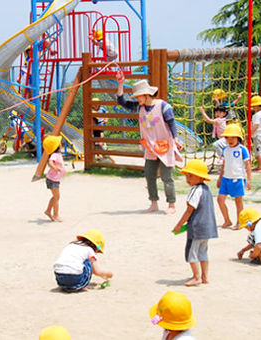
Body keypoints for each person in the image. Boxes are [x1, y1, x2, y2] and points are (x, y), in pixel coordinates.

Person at [116, 72, 183, 214]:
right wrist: (121, 83)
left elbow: (171, 123)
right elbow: (122, 101)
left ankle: (171, 205)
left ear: (146, 94)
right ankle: (154, 203)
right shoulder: (140, 107)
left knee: (167, 177)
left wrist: (176, 139)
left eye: (138, 96)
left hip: (165, 145)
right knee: (149, 175)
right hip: (150, 147)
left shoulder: (164, 106)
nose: (137, 98)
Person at [172, 159, 218, 286]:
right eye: (187, 175)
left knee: (192, 252)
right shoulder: (207, 190)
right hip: (208, 227)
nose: (187, 178)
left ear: (200, 177)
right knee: (203, 252)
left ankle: (196, 277)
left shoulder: (195, 190)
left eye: (190, 176)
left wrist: (179, 224)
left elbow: (189, 210)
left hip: (197, 228)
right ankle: (204, 277)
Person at [217, 124, 252, 229]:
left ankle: (239, 222)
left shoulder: (242, 149)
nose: (230, 140)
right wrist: (220, 178)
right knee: (220, 199)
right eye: (227, 137)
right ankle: (227, 220)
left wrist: (249, 180)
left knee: (238, 201)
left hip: (237, 178)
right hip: (225, 179)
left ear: (238, 138)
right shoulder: (225, 150)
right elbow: (224, 165)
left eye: (233, 137)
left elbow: (247, 165)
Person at [43, 136, 65, 222]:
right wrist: (55, 168)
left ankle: (48, 211)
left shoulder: (58, 154)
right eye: (59, 143)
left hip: (54, 179)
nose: (61, 143)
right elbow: (50, 162)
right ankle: (56, 215)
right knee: (56, 197)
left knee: (56, 197)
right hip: (52, 180)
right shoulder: (54, 155)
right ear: (57, 146)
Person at [91, 98, 115, 163]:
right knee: (94, 144)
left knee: (100, 142)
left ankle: (103, 146)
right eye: (94, 104)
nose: (95, 105)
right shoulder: (92, 110)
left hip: (100, 123)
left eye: (97, 104)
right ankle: (97, 155)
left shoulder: (102, 109)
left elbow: (107, 113)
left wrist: (106, 119)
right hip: (95, 125)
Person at [250, 95, 261, 173]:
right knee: (258, 151)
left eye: (254, 106)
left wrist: (250, 133)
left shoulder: (257, 115)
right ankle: (260, 166)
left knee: (259, 152)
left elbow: (256, 125)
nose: (253, 107)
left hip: (258, 135)